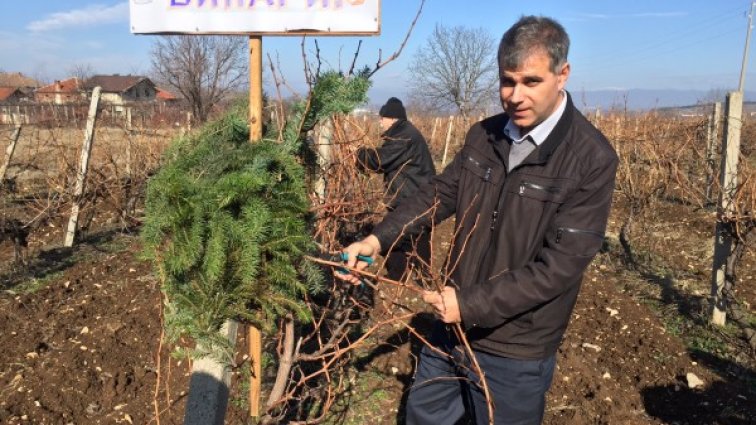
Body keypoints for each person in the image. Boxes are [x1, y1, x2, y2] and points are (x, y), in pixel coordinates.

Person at [339, 15, 618, 425]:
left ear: (563, 75)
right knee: (424, 416)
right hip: (448, 329)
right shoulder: (483, 137)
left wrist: (470, 304)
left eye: (531, 81)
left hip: (516, 346)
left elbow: (560, 267)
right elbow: (439, 194)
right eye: (507, 81)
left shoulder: (590, 159)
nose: (515, 96)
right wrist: (376, 240)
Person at [355, 97, 436, 282]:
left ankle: (399, 275)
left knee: (396, 230)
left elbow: (380, 159)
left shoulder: (403, 136)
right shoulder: (403, 132)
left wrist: (358, 154)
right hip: (415, 190)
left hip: (411, 193)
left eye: (382, 117)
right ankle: (423, 273)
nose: (380, 121)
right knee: (417, 233)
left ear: (392, 118)